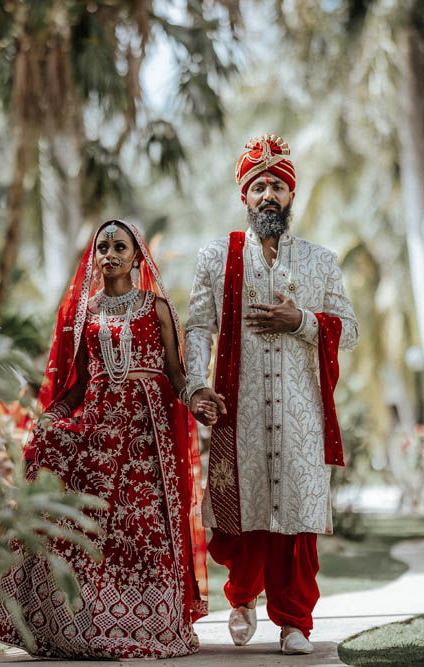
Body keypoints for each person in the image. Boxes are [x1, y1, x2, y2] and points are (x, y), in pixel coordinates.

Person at [0, 219, 211, 659]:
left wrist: (195, 400)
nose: (109, 254)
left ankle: (154, 623)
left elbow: (176, 374)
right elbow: (78, 386)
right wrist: (53, 416)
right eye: (102, 247)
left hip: (149, 440)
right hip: (100, 443)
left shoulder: (157, 307)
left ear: (137, 257)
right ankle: (81, 619)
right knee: (95, 530)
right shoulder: (85, 314)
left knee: (144, 530)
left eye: (119, 246)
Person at [183, 134, 358, 655]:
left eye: (277, 186)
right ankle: (241, 597)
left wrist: (301, 320)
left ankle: (294, 621)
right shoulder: (218, 257)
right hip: (240, 412)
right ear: (244, 196)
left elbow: (348, 330)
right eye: (257, 185)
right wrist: (196, 384)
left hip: (302, 413)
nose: (267, 195)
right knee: (243, 517)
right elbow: (197, 327)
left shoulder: (321, 261)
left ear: (291, 196)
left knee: (297, 520)